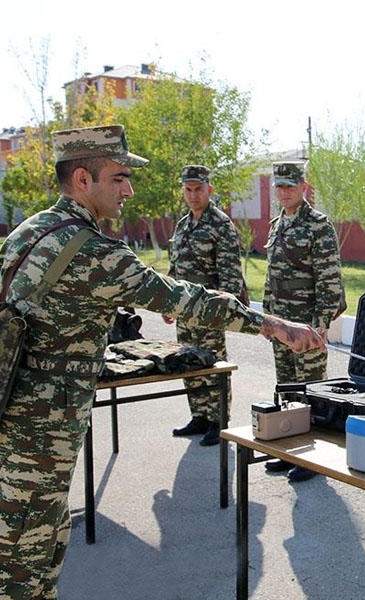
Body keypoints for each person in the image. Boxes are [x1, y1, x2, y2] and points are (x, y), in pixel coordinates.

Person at [0, 124, 325, 599]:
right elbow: (182, 297)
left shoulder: (32, 230)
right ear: (83, 181)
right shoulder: (94, 252)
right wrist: (273, 326)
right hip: (40, 432)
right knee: (25, 566)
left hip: (17, 411)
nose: (129, 188)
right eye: (118, 177)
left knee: (37, 546)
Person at [262, 160, 344, 482]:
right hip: (281, 324)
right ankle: (289, 450)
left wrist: (320, 324)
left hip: (307, 325)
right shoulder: (276, 225)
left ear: (303, 187)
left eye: (290, 186)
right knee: (286, 387)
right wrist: (268, 320)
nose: (283, 192)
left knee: (309, 389)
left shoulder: (319, 226)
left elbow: (329, 280)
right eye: (279, 186)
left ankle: (310, 458)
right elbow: (271, 278)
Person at [165, 164, 248, 447]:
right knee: (189, 363)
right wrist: (168, 302)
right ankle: (199, 415)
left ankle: (218, 420)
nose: (193, 195)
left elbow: (230, 275)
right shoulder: (183, 224)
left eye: (198, 189)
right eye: (188, 190)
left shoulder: (220, 224)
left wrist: (222, 311)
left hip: (209, 310)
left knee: (213, 364)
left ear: (209, 190)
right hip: (184, 311)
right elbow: (175, 267)